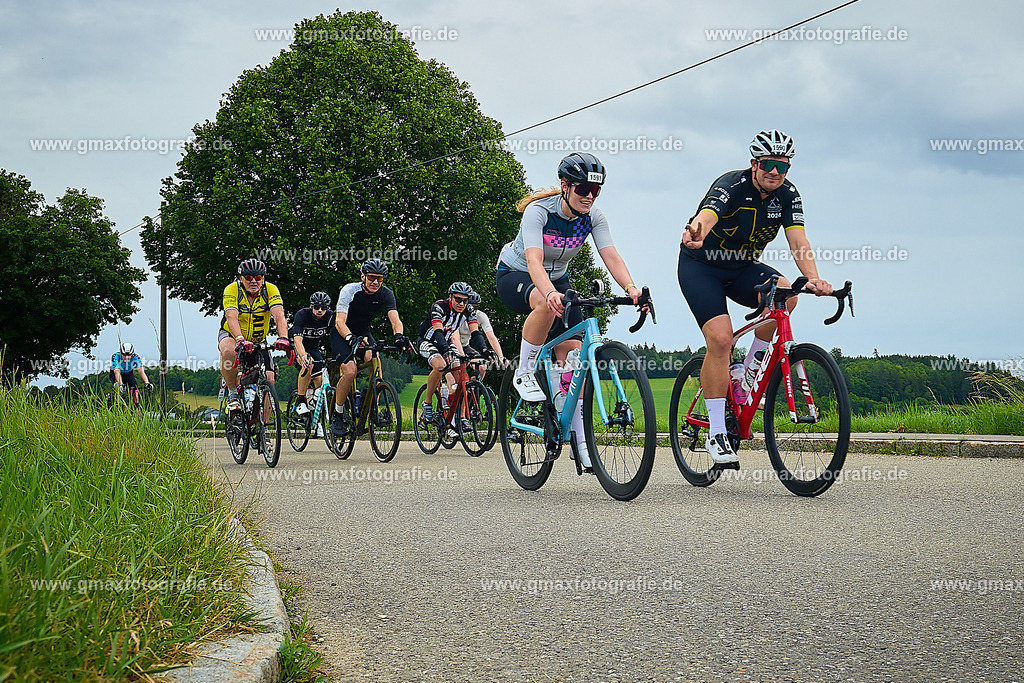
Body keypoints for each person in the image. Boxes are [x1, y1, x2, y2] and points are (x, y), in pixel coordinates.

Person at [678, 129, 834, 464]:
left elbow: (798, 241)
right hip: (701, 267)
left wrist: (813, 278)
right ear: (754, 164)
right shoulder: (731, 185)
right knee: (721, 340)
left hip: (742, 268)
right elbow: (708, 214)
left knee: (787, 295)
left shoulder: (789, 195)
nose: (774, 171)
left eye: (782, 165)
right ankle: (717, 432)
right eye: (767, 164)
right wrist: (698, 230)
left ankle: (747, 372)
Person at [495, 152, 644, 471]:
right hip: (516, 274)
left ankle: (579, 439)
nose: (589, 196)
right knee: (543, 304)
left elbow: (611, 255)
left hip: (559, 279)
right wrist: (549, 293)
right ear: (565, 186)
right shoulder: (538, 212)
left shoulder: (593, 217)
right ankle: (524, 371)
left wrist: (631, 288)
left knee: (574, 357)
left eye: (596, 190)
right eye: (583, 189)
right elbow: (534, 260)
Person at [329, 258, 412, 437]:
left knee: (375, 364)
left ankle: (371, 404)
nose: (375, 282)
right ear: (363, 277)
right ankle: (338, 413)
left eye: (379, 279)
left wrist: (399, 337)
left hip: (363, 332)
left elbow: (395, 320)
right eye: (371, 277)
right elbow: (339, 321)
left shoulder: (386, 294)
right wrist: (350, 338)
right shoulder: (349, 290)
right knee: (350, 371)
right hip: (342, 333)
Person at [218, 258, 291, 412]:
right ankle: (233, 394)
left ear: (263, 278)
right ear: (241, 278)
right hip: (232, 335)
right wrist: (240, 339)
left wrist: (283, 337)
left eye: (258, 277)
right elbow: (231, 317)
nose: (253, 281)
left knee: (269, 378)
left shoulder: (270, 290)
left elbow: (279, 315)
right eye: (249, 277)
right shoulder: (232, 290)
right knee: (228, 351)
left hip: (259, 339)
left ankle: (265, 424)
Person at [416, 281, 489, 432]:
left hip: (446, 341)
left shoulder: (468, 310)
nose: (461, 303)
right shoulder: (439, 307)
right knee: (440, 365)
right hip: (428, 340)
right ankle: (427, 404)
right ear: (450, 297)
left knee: (462, 375)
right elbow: (438, 331)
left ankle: (461, 418)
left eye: (465, 300)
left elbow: (475, 333)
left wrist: (485, 350)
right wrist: (445, 350)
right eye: (458, 299)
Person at [289, 291, 335, 415]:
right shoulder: (302, 315)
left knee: (319, 378)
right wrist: (303, 355)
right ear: (311, 306)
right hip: (296, 346)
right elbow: (297, 339)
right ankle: (300, 401)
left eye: (323, 308)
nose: (320, 310)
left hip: (314, 348)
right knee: (308, 364)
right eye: (316, 307)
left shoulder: (330, 316)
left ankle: (315, 413)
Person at [456, 289, 504, 382]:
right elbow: (455, 338)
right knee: (456, 372)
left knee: (482, 366)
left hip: (465, 346)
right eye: (470, 306)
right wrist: (461, 355)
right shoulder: (456, 315)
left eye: (476, 307)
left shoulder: (480, 316)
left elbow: (491, 336)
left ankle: (473, 388)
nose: (472, 309)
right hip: (451, 345)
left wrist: (500, 357)